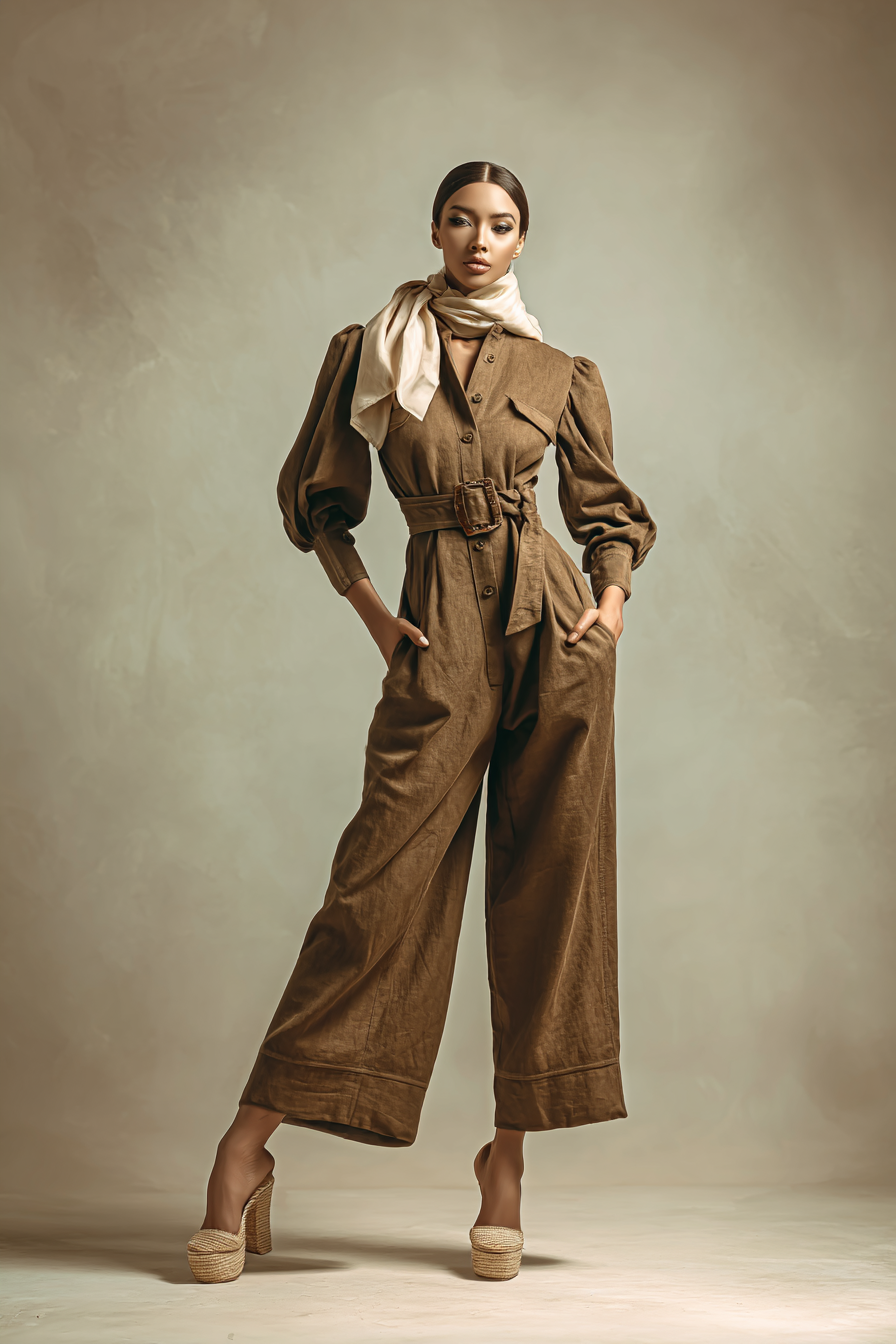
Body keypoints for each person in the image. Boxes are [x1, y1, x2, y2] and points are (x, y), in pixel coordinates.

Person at [187, 160, 656, 1284]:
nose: (478, 240)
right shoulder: (372, 347)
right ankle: (243, 1154)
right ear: (433, 228)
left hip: (551, 628)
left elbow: (605, 507)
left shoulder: (557, 369)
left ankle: (505, 1164)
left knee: (550, 880)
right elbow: (321, 498)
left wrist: (609, 602)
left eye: (500, 225)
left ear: (521, 241)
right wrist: (373, 617)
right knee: (378, 884)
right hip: (434, 616)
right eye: (460, 220)